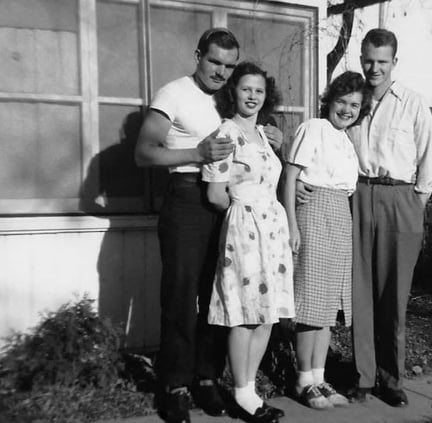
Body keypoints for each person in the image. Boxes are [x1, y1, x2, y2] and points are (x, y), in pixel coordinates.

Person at [135, 28, 282, 423]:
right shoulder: (174, 93)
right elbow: (144, 152)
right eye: (214, 61)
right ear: (198, 55)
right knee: (182, 295)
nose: (221, 71)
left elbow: (250, 136)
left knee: (221, 295)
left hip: (230, 204)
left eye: (229, 66)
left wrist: (272, 136)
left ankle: (206, 377)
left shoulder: (228, 98)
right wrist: (196, 152)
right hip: (187, 198)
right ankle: (175, 386)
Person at [297, 28, 432, 407]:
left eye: (382, 62)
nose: (375, 68)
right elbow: (320, 144)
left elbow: (428, 165)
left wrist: (413, 206)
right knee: (359, 291)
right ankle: (363, 376)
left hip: (400, 198)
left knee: (393, 295)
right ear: (361, 59)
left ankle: (390, 380)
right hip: (358, 196)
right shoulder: (353, 103)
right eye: (369, 61)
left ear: (394, 62)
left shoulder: (412, 104)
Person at [203, 62, 295, 423]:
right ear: (233, 93)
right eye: (246, 89)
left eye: (259, 90)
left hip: (273, 229)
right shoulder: (226, 133)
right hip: (245, 229)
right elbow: (215, 194)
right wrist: (243, 211)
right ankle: (242, 392)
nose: (253, 96)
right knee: (244, 313)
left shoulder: (264, 134)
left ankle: (250, 390)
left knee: (266, 313)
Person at [283, 71, 371, 409]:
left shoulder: (347, 139)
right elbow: (290, 176)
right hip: (314, 213)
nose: (347, 110)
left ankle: (319, 378)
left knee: (328, 305)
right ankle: (303, 379)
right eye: (342, 102)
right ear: (329, 100)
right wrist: (292, 224)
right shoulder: (314, 127)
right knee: (311, 304)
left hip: (340, 217)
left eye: (354, 105)